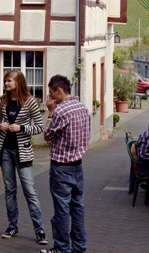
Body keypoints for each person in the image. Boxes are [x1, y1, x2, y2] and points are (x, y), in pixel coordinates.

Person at [0, 70, 48, 244]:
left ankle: (39, 230)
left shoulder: (30, 102)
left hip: (23, 152)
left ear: (18, 82)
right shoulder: (1, 101)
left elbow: (39, 127)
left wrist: (21, 128)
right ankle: (12, 225)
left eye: (9, 81)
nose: (6, 84)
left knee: (29, 191)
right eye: (5, 81)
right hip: (5, 151)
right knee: (9, 190)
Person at [42, 75, 90, 253]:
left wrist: (50, 112)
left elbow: (47, 136)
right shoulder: (83, 108)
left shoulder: (61, 111)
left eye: (52, 94)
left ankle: (62, 247)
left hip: (61, 166)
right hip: (78, 165)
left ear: (59, 90)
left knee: (62, 209)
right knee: (77, 207)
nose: (51, 98)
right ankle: (79, 246)